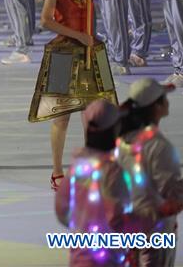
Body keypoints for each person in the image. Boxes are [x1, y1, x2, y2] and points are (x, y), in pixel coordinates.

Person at [30, 0, 130, 191]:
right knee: (61, 116)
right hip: (63, 54)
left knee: (95, 114)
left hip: (91, 52)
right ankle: (58, 171)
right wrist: (79, 36)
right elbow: (47, 21)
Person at [116, 78, 183, 267]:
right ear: (156, 106)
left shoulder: (121, 142)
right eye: (163, 98)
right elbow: (173, 195)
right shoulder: (159, 146)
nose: (167, 101)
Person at [55, 100, 136, 267]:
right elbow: (119, 216)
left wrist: (81, 226)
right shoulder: (114, 172)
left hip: (79, 257)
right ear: (114, 130)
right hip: (109, 258)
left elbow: (62, 211)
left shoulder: (76, 168)